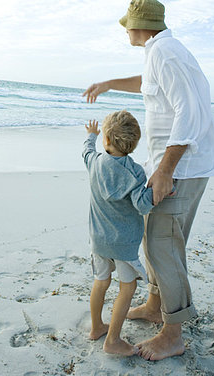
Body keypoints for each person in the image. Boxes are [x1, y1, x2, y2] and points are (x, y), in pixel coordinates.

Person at [83, 0, 214, 361]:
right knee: (158, 242)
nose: (125, 30)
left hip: (180, 168)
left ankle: (173, 333)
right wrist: (110, 83)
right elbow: (149, 84)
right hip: (178, 165)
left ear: (138, 24)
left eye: (127, 24)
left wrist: (165, 170)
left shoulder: (165, 52)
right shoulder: (158, 52)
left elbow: (189, 112)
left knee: (163, 247)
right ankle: (153, 306)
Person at [82, 111, 154, 357]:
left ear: (107, 140)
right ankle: (112, 340)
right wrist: (158, 189)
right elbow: (143, 205)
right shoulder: (135, 173)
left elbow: (86, 152)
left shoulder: (94, 162)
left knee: (101, 282)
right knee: (127, 288)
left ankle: (96, 328)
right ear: (133, 144)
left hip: (99, 241)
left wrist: (91, 136)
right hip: (123, 245)